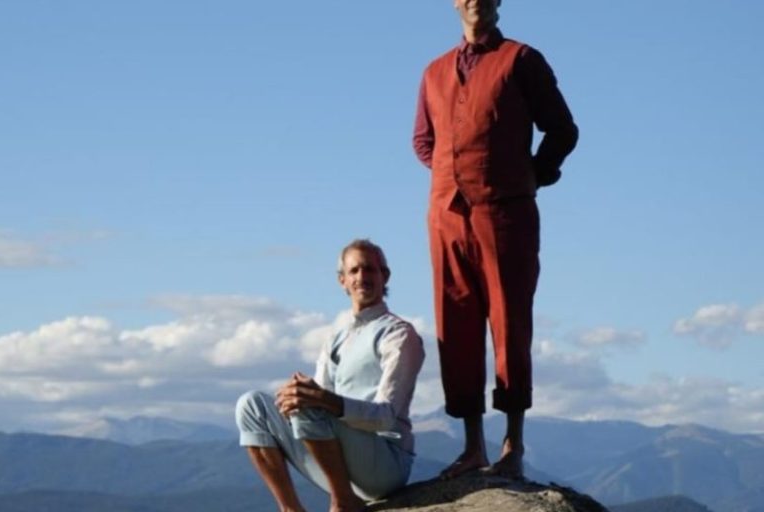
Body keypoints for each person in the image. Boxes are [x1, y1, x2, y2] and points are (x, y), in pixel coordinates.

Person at [412, 0, 578, 479]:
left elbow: (562, 129)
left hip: (505, 212)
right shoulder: (434, 71)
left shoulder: (521, 60)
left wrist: (530, 174)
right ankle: (472, 448)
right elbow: (423, 140)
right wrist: (452, 172)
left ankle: (513, 446)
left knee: (510, 323)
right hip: (446, 215)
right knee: (455, 325)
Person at [235, 239, 425, 512]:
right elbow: (318, 405)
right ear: (342, 280)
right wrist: (295, 398)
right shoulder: (337, 337)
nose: (362, 277)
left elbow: (385, 416)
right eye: (354, 270)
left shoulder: (398, 334)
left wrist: (320, 399)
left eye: (370, 269)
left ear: (385, 276)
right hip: (342, 460)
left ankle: (343, 501)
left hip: (385, 461)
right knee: (251, 405)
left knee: (310, 402)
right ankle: (290, 509)